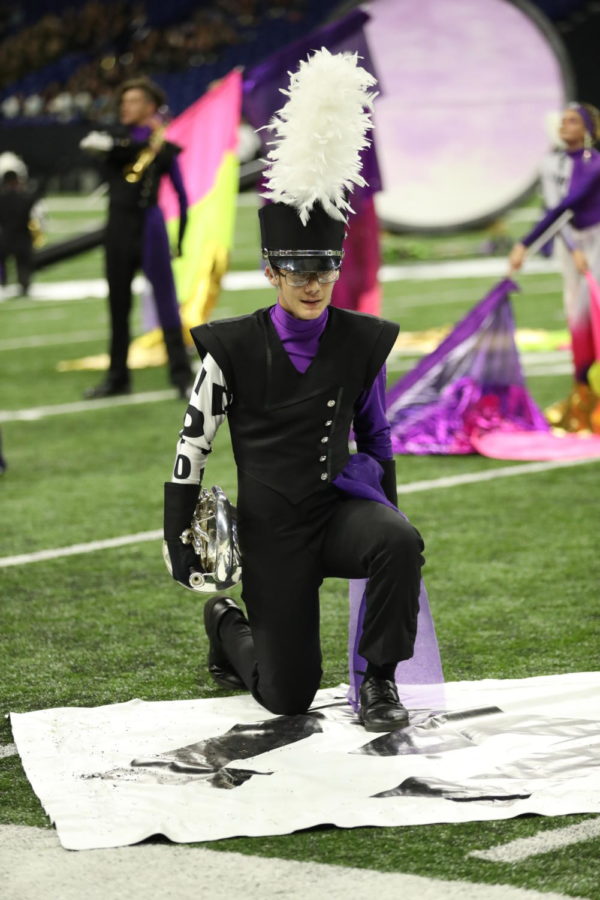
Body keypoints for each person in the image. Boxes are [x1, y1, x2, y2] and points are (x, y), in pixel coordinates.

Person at [163, 50, 425, 733]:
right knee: (287, 696)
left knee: (399, 540)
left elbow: (377, 435)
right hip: (271, 531)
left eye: (325, 269)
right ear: (273, 272)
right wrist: (177, 537)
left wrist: (388, 515)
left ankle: (379, 682)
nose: (313, 284)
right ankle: (226, 627)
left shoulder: (362, 339)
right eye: (297, 270)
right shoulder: (230, 346)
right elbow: (193, 444)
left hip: (338, 512)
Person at [80, 76, 193, 399]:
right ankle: (118, 378)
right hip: (117, 227)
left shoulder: (164, 147)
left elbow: (183, 197)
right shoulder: (113, 140)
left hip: (150, 227)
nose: (124, 107)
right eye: (124, 101)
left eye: (133, 101)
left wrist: (180, 240)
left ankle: (182, 377)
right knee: (117, 304)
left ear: (150, 107)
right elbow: (112, 151)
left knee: (166, 303)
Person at [508, 102, 600, 432]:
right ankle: (583, 396)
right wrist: (571, 247)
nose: (565, 126)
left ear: (588, 129)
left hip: (597, 241)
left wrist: (524, 244)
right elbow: (555, 210)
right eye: (563, 121)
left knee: (596, 313)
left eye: (573, 121)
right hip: (573, 245)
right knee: (576, 315)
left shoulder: (593, 163)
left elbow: (568, 204)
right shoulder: (552, 164)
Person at [0, 169, 45, 297]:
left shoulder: (1, 199)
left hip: (5, 239)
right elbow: (36, 205)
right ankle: (24, 284)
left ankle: (3, 281)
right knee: (24, 263)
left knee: (1, 261)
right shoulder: (25, 198)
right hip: (22, 239)